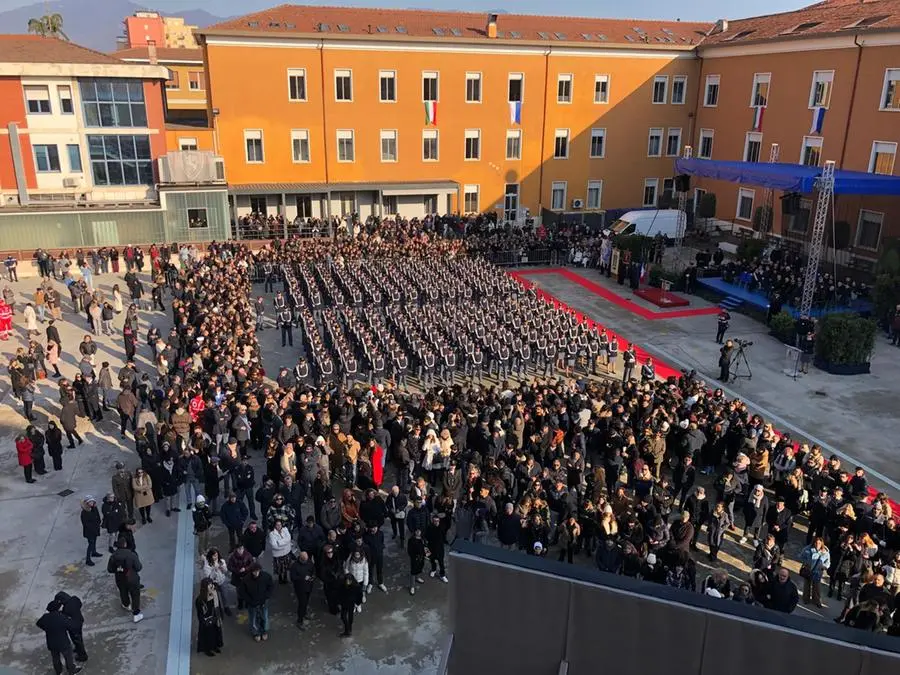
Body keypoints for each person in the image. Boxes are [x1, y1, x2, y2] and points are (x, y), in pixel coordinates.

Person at [36, 599, 82, 675]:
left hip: (51, 643)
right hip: (63, 643)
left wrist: (46, 628)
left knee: (55, 658)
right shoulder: (61, 617)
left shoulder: (45, 617)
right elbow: (72, 626)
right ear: (57, 608)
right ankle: (71, 670)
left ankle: (58, 671)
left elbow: (38, 623)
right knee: (68, 657)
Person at [107, 537, 143, 623]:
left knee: (123, 591)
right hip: (132, 578)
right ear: (125, 544)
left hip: (120, 578)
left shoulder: (113, 556)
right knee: (135, 594)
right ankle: (136, 614)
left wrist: (119, 570)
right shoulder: (131, 555)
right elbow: (138, 567)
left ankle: (126, 604)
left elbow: (110, 569)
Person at [239, 562, 274, 643]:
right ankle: (256, 633)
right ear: (251, 571)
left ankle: (264, 631)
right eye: (254, 571)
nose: (256, 573)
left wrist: (266, 596)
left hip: (263, 601)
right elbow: (242, 592)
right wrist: (249, 600)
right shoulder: (246, 579)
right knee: (253, 618)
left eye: (258, 571)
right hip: (252, 603)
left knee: (264, 617)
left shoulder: (266, 576)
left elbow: (271, 586)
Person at [54, 591, 87, 663]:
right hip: (80, 620)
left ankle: (82, 655)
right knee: (79, 637)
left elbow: (64, 616)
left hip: (74, 626)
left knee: (76, 639)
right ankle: (78, 649)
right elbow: (80, 604)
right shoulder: (75, 599)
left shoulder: (67, 608)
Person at [195, 577, 224, 657]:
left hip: (215, 618)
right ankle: (207, 649)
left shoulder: (215, 594)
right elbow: (200, 613)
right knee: (208, 636)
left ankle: (215, 646)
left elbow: (218, 606)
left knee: (216, 633)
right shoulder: (200, 600)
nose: (211, 586)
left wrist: (220, 616)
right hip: (206, 621)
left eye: (211, 584)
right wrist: (203, 622)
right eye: (209, 585)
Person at [800, 536, 831, 608]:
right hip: (808, 570)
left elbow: (828, 562)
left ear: (822, 544)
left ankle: (816, 600)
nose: (817, 544)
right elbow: (801, 556)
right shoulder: (807, 549)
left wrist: (824, 567)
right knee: (807, 585)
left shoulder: (825, 552)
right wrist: (806, 562)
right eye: (816, 543)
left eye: (819, 543)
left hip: (818, 572)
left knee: (816, 587)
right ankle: (806, 599)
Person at [289, 551, 316, 629]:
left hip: (309, 586)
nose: (306, 561)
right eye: (305, 560)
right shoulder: (295, 566)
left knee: (306, 601)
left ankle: (304, 613)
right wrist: (303, 578)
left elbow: (313, 570)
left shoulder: (309, 562)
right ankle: (299, 620)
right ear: (301, 558)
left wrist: (313, 576)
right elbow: (293, 578)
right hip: (300, 588)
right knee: (302, 603)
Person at [337, 572, 364, 638]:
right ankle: (348, 629)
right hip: (344, 603)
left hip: (351, 604)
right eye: (347, 580)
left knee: (350, 616)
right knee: (343, 616)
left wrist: (357, 603)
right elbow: (339, 594)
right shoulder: (342, 585)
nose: (348, 581)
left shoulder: (356, 586)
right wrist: (339, 602)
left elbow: (360, 596)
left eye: (349, 580)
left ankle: (348, 630)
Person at [425, 514, 449, 583]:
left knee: (441, 562)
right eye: (434, 521)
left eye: (437, 521)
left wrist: (438, 526)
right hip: (431, 547)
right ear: (432, 521)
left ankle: (442, 575)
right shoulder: (429, 527)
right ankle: (433, 570)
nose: (436, 522)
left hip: (440, 548)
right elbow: (427, 536)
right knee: (432, 560)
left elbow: (443, 533)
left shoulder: (441, 527)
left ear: (439, 521)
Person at [268, 519, 293, 584]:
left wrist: (279, 543)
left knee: (286, 566)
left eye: (280, 525)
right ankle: (280, 578)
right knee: (279, 568)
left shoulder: (285, 529)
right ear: (275, 525)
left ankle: (285, 577)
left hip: (286, 553)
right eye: (277, 525)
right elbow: (274, 546)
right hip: (278, 555)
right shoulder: (272, 534)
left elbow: (289, 538)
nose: (279, 526)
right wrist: (285, 544)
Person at [80, 496, 103, 566]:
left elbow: (98, 517)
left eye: (92, 501)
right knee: (90, 544)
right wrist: (94, 527)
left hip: (95, 529)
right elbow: (86, 524)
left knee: (94, 541)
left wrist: (98, 523)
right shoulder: (84, 512)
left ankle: (94, 552)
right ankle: (88, 559)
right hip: (89, 532)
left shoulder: (94, 508)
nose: (92, 503)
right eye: (90, 502)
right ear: (87, 503)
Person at [407, 528, 427, 595]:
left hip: (421, 557)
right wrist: (414, 557)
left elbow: (425, 547)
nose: (418, 532)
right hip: (415, 558)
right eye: (417, 531)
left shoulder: (422, 539)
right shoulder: (411, 540)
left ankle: (417, 578)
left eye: (419, 531)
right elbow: (409, 551)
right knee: (413, 571)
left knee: (420, 568)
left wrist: (427, 555)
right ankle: (412, 586)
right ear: (414, 532)